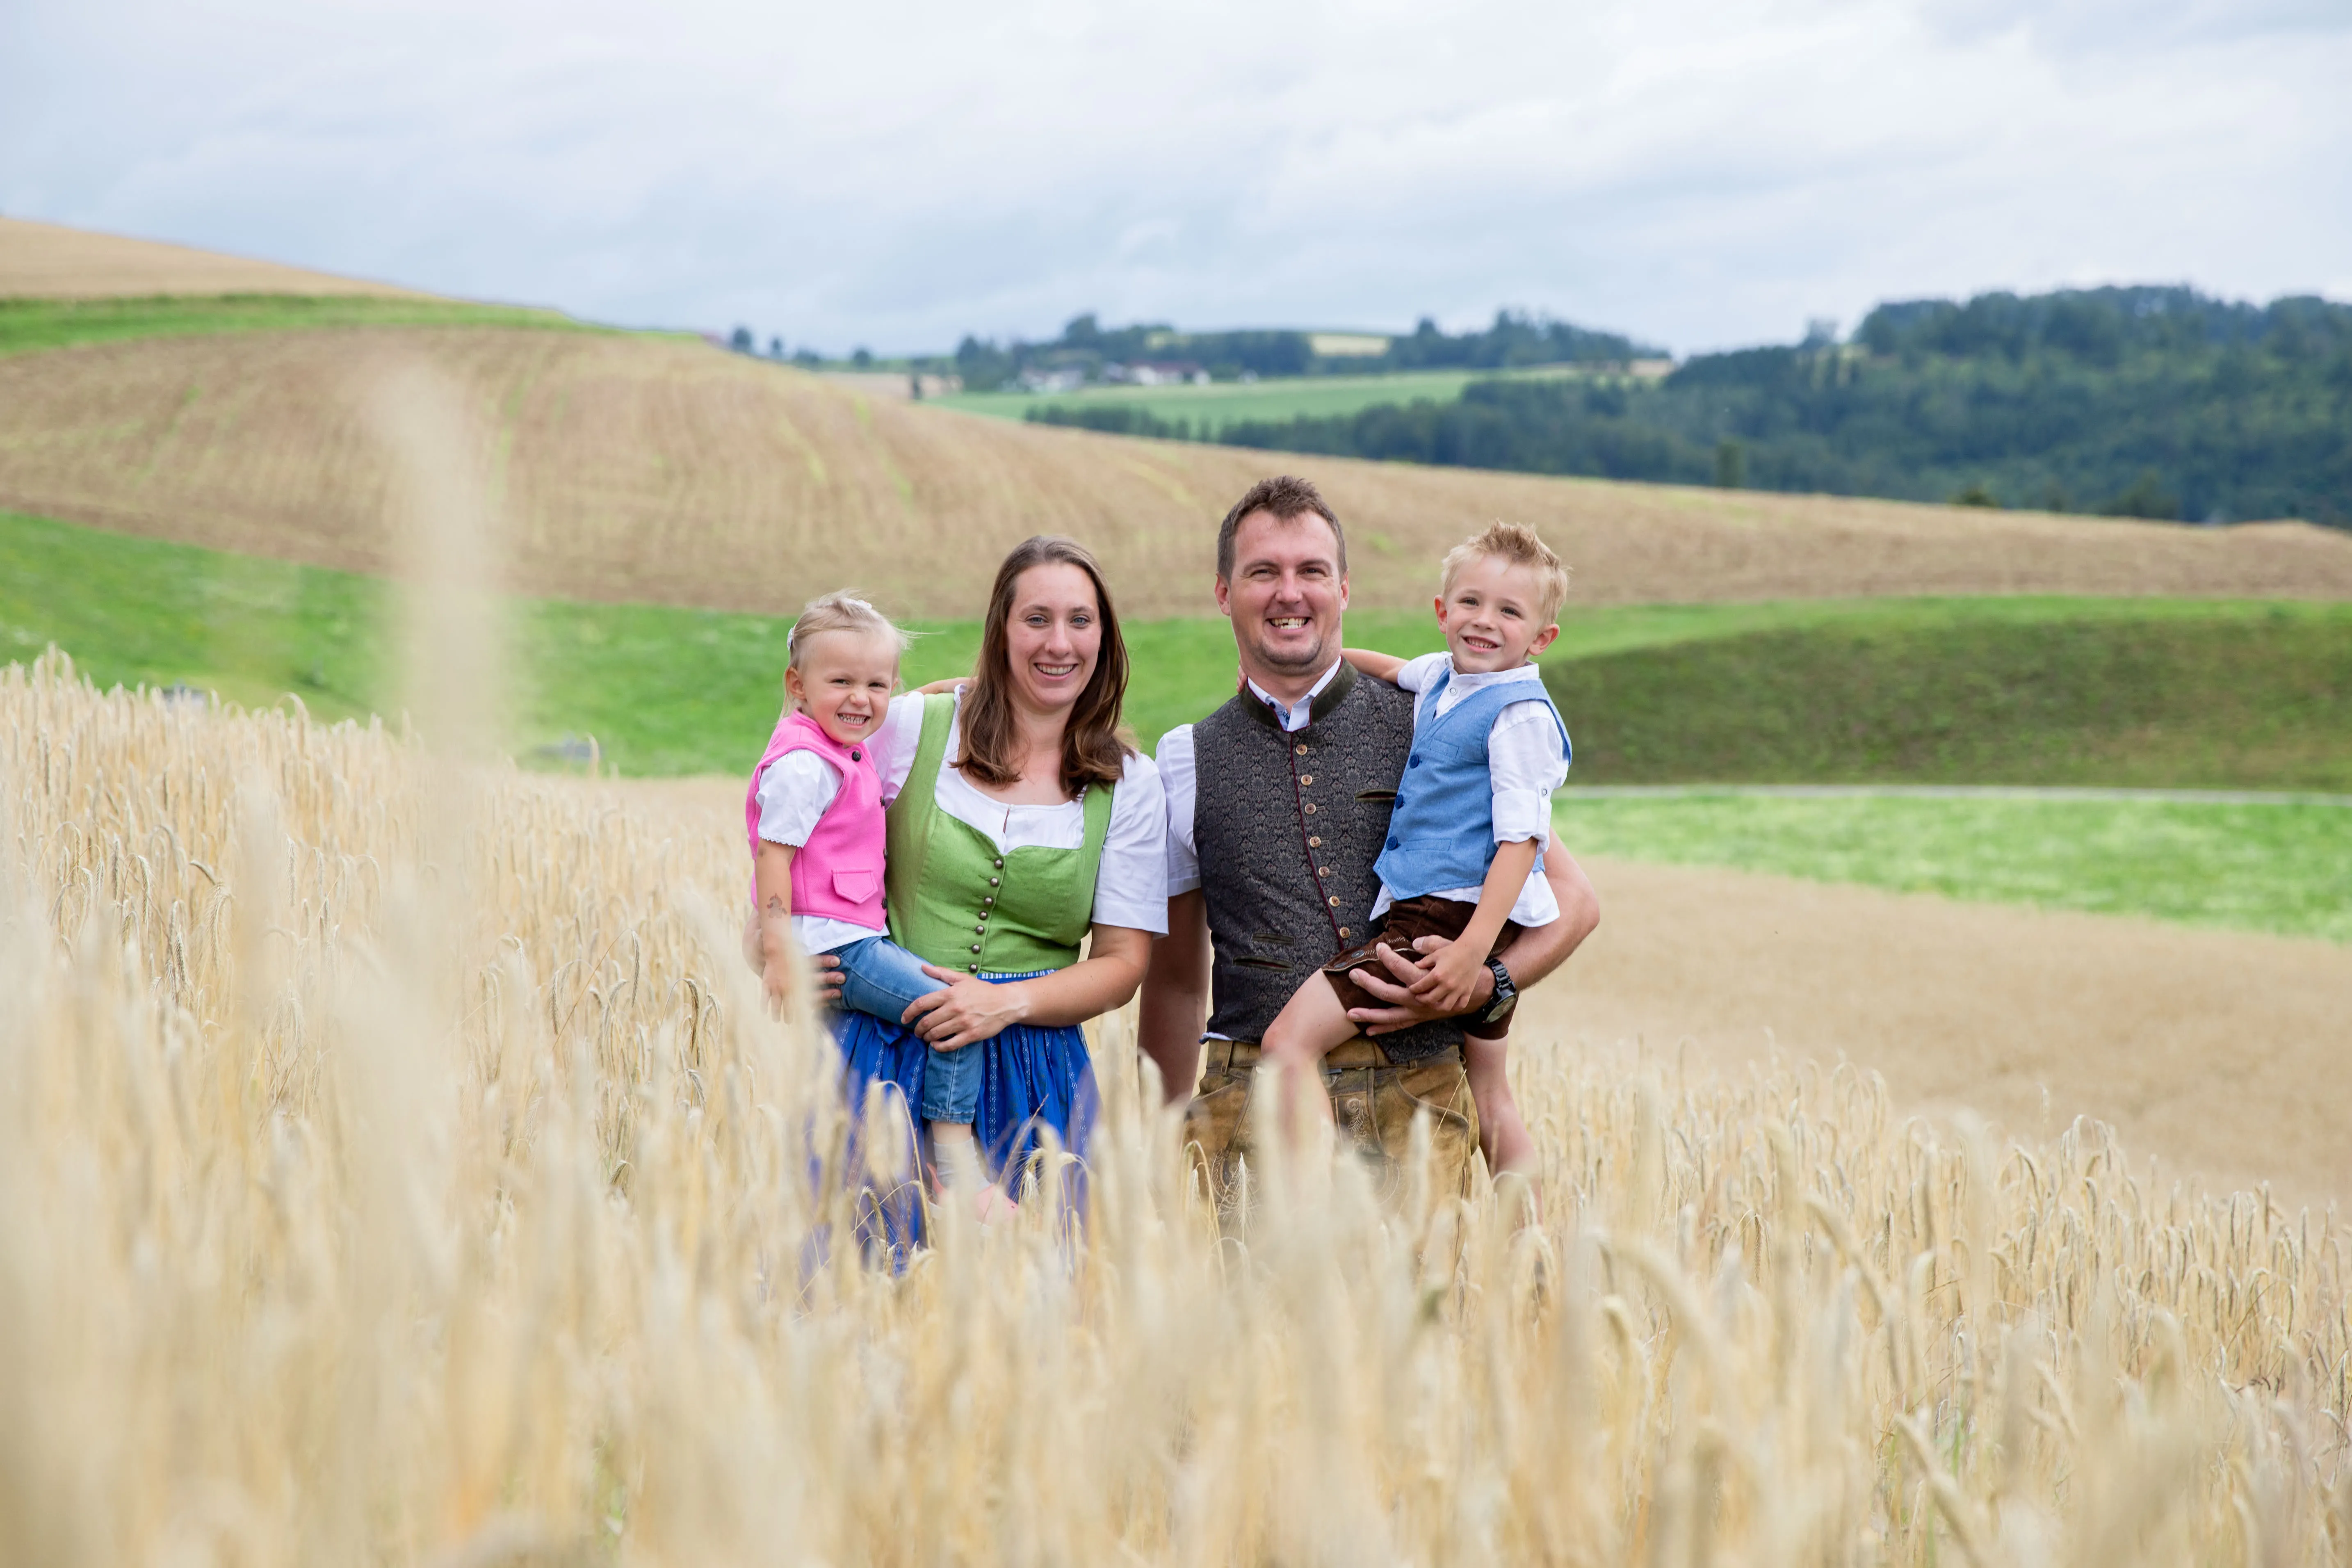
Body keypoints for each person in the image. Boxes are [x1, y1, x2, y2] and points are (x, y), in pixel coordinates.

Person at [1137, 475, 1599, 1203]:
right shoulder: (1181, 758)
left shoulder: (1433, 720)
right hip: (1244, 1119)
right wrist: (1159, 1134)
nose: (1290, 592)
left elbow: (1569, 899)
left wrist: (1487, 983)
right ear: (1224, 593)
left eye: (1311, 571)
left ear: (1343, 588)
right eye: (1264, 572)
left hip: (1417, 1114)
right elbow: (1177, 977)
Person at [807, 536, 1167, 1224]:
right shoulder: (912, 727)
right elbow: (798, 824)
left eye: (1080, 620)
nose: (1058, 642)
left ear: (1105, 637)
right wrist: (773, 938)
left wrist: (1004, 1004)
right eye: (1035, 618)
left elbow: (1124, 965)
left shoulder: (1130, 784)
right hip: (882, 1047)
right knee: (854, 1295)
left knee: (1034, 1309)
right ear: (1000, 629)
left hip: (1036, 1075)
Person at [1258, 523, 1571, 1182]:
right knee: (1490, 1095)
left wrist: (1469, 951)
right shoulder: (1445, 679)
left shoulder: (1520, 716)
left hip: (1445, 920)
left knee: (1286, 1043)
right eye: (1470, 603)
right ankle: (1534, 1258)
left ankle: (1326, 1215)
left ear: (1541, 638)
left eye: (1509, 612)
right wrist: (1312, 665)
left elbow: (1521, 840)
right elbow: (1385, 667)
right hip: (1468, 926)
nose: (1484, 622)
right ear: (1441, 611)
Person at [744, 591, 989, 1173]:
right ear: (797, 684)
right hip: (836, 945)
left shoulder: (840, 741)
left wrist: (975, 687)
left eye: (877, 685)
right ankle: (951, 1158)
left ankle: (866, 1165)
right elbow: (772, 856)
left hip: (848, 934)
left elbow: (910, 700)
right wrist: (778, 954)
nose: (861, 699)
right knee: (956, 1012)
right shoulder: (805, 764)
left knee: (839, 1078)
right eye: (842, 682)